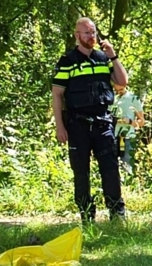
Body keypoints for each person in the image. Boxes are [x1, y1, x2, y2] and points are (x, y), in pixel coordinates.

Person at [52, 17, 129, 223]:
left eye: (93, 32)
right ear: (77, 35)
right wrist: (60, 126)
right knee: (81, 172)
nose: (91, 36)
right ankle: (87, 215)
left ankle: (117, 214)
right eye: (86, 33)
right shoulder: (67, 61)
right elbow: (57, 95)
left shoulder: (103, 58)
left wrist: (113, 56)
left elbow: (122, 82)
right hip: (77, 124)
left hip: (103, 122)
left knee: (110, 168)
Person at [111, 82, 145, 176]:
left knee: (127, 166)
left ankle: (128, 185)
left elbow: (141, 121)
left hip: (128, 137)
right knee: (113, 166)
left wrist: (130, 122)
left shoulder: (133, 99)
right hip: (113, 136)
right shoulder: (112, 98)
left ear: (125, 86)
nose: (119, 92)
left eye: (121, 90)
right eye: (116, 90)